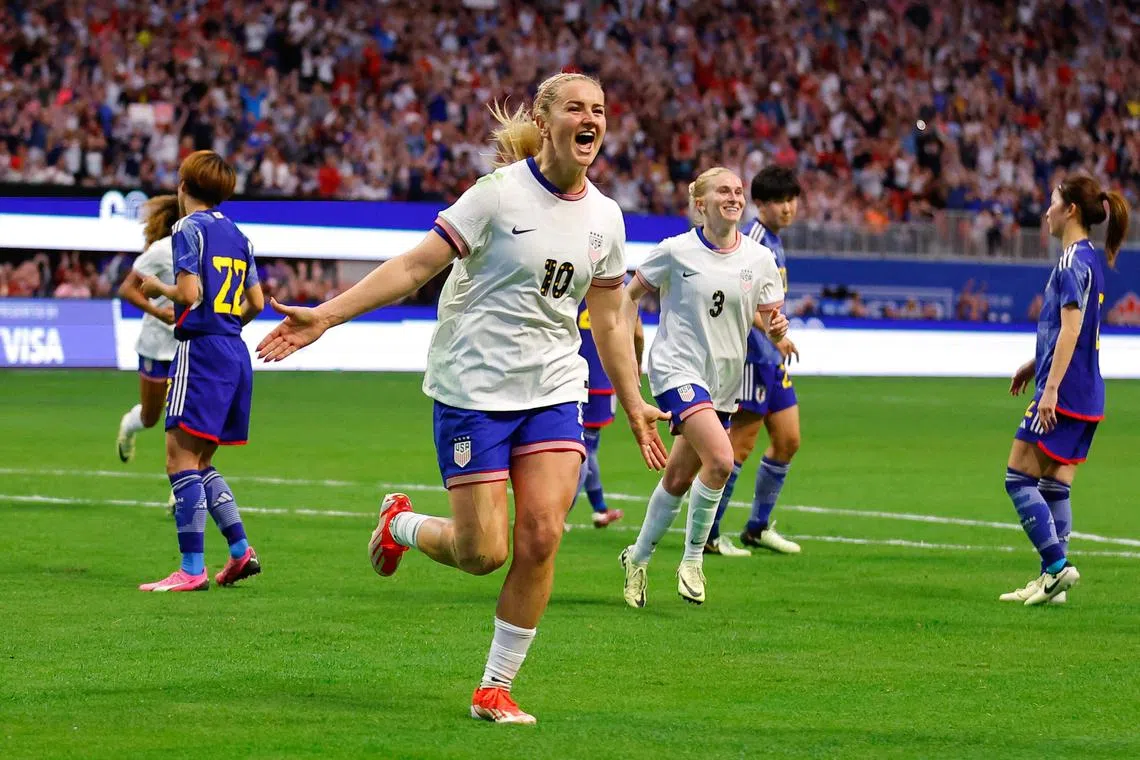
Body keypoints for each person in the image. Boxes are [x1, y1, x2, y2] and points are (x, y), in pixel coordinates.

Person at [256, 73, 668, 725]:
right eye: (574, 108)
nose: (590, 119)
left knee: (541, 535)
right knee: (484, 554)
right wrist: (327, 317)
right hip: (473, 388)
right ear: (545, 118)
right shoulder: (496, 197)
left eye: (599, 110)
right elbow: (415, 267)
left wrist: (634, 397)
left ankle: (494, 688)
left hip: (553, 390)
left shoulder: (607, 218)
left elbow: (611, 317)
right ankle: (400, 523)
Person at [619, 167, 788, 609]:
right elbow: (628, 295)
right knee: (721, 458)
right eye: (722, 191)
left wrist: (779, 330)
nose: (733, 197)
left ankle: (636, 558)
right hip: (677, 371)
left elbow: (769, 317)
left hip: (724, 380)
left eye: (737, 191)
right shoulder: (675, 251)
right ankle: (693, 559)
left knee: (677, 478)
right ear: (701, 203)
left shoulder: (759, 259)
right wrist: (627, 336)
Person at [137, 150, 265, 592]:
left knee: (178, 458)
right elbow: (258, 303)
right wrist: (228, 325)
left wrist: (156, 288)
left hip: (202, 351)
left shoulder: (186, 228)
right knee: (202, 460)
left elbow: (189, 293)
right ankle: (239, 550)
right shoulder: (239, 235)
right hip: (234, 350)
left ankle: (192, 569)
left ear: (185, 185)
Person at [1002, 176, 1129, 606]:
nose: (1046, 211)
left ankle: (1056, 567)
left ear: (1070, 209)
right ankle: (1050, 583)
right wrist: (1034, 365)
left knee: (1017, 478)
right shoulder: (1091, 259)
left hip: (1066, 391)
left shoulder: (1072, 260)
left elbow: (1072, 326)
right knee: (1055, 486)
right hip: (1089, 393)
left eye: (1052, 202)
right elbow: (1071, 330)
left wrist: (1049, 387)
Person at [704, 165, 803, 558]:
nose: (787, 208)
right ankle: (708, 534)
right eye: (779, 201)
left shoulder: (774, 240)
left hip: (769, 358)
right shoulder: (754, 241)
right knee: (737, 448)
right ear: (759, 204)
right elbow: (740, 299)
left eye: (792, 199)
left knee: (788, 440)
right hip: (750, 357)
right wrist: (774, 335)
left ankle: (756, 527)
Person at [116, 195, 181, 464]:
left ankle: (183, 491)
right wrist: (157, 312)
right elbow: (127, 288)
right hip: (157, 343)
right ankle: (129, 426)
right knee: (151, 417)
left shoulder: (206, 247)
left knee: (185, 419)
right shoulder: (161, 250)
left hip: (189, 344)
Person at [571, 299, 644, 528]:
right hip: (602, 378)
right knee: (587, 447)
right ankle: (560, 512)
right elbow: (639, 334)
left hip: (568, 375)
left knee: (575, 443)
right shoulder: (620, 285)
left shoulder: (574, 278)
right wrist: (636, 367)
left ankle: (599, 508)